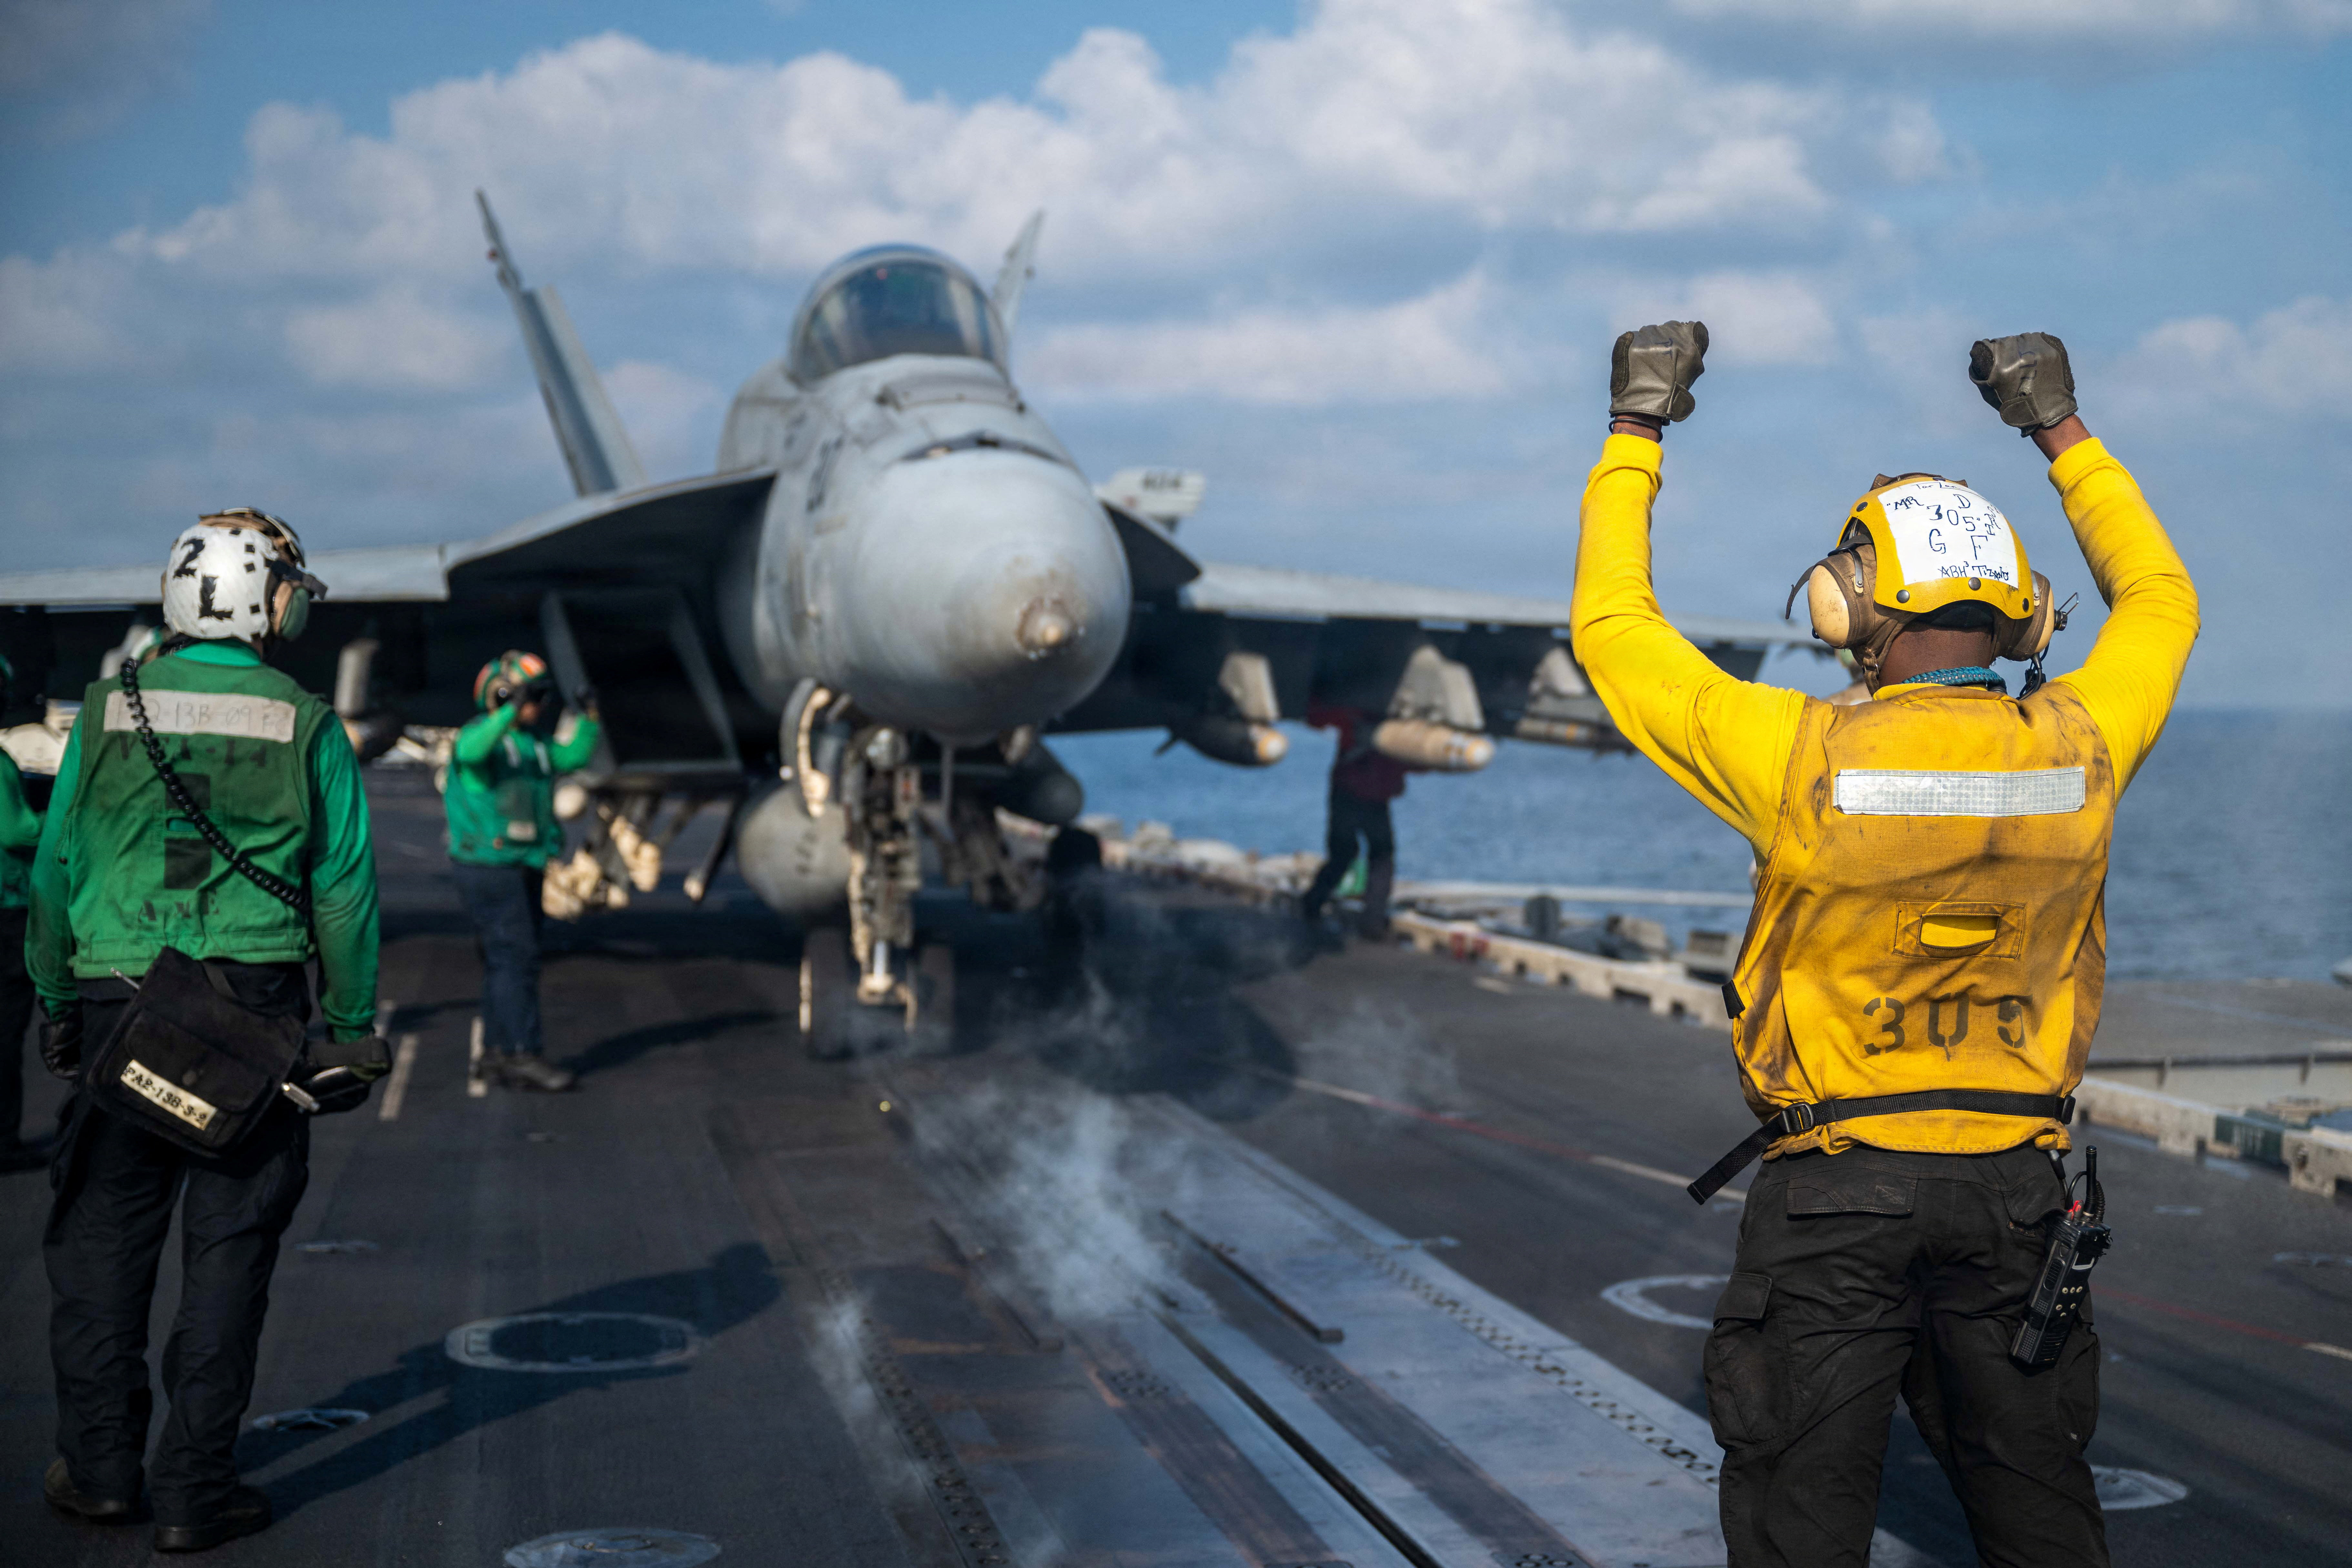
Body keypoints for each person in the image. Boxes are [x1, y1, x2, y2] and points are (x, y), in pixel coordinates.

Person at [1572, 325, 2196, 1567]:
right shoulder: (2079, 743)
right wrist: (2057, 428)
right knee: (2038, 1512)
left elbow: (1612, 627)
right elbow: (2160, 598)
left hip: (1834, 1192)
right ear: (2018, 614)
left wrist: (1636, 428)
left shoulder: (1796, 755)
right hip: (2019, 1194)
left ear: (1844, 602)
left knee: (1801, 1517)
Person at [29, 509, 383, 1552]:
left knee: (98, 1250)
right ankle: (193, 1489)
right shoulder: (306, 720)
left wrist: (56, 1004)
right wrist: (353, 1028)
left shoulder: (102, 710)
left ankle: (97, 1471)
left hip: (119, 1007)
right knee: (229, 1253)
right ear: (261, 594)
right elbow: (346, 894)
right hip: (250, 1022)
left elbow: (56, 876)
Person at [445, 651, 600, 1092]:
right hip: (491, 867)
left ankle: (496, 1052)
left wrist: (589, 716)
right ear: (503, 695)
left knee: (504, 961)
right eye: (534, 696)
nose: (540, 705)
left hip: (522, 863)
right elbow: (470, 751)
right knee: (517, 958)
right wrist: (508, 709)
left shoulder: (532, 743)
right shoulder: (483, 736)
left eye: (543, 695)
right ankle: (522, 1052)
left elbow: (571, 757)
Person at [1, 652, 52, 1171]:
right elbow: (17, 831)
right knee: (7, 1032)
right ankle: (5, 1141)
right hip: (8, 907)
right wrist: (54, 817)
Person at [1297, 702, 1410, 938]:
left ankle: (1313, 903)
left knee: (1346, 853)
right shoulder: (1401, 723)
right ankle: (1372, 921)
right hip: (1371, 796)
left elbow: (1316, 717)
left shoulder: (1356, 710)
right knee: (1380, 856)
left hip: (1350, 793)